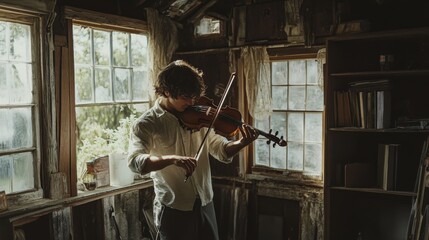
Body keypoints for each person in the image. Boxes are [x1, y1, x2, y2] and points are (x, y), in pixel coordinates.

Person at [127, 60, 259, 240]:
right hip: (174, 208)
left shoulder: (200, 116)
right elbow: (135, 162)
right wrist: (172, 159)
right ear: (166, 91)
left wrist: (242, 142)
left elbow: (221, 150)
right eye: (185, 97)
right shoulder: (147, 124)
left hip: (206, 201)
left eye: (194, 97)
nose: (191, 102)